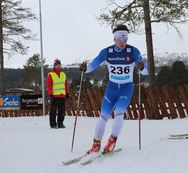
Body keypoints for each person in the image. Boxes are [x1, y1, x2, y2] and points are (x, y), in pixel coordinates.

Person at [79, 24, 148, 153]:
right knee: (103, 116)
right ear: (114, 39)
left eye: (125, 39)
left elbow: (145, 71)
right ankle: (96, 144)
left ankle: (112, 141)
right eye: (119, 39)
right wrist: (85, 69)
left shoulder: (133, 51)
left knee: (119, 113)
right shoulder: (107, 51)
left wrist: (142, 67)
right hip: (111, 88)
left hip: (126, 88)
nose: (122, 42)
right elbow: (93, 65)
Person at [47, 59, 70, 129]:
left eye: (59, 65)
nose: (58, 66)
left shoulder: (63, 74)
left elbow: (66, 85)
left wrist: (67, 93)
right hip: (54, 96)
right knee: (53, 111)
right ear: (54, 66)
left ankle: (60, 124)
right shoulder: (50, 74)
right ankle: (53, 124)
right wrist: (51, 95)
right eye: (57, 65)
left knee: (62, 111)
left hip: (62, 95)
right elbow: (49, 86)